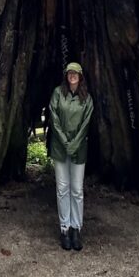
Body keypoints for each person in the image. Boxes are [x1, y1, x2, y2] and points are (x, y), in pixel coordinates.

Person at [48, 61, 94, 251]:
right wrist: (64, 141)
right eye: (69, 73)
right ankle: (65, 228)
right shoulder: (58, 93)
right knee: (62, 188)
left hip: (79, 149)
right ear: (66, 76)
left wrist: (74, 143)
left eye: (75, 73)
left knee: (76, 190)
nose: (72, 76)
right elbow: (53, 116)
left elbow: (86, 123)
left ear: (80, 76)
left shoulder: (87, 99)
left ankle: (76, 228)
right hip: (60, 148)